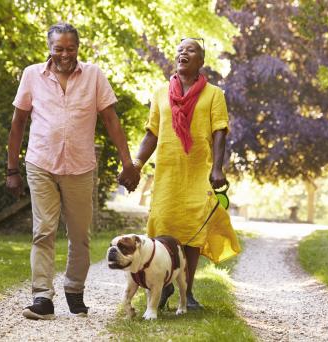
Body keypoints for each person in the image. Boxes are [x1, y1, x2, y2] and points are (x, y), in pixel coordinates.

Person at [6, 23, 140, 320]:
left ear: (78, 48)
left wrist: (127, 163)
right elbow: (18, 123)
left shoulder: (93, 75)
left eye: (70, 48)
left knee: (80, 235)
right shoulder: (32, 75)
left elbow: (111, 120)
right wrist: (11, 168)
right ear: (49, 49)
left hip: (80, 167)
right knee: (43, 231)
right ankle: (42, 297)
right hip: (41, 163)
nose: (65, 54)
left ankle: (74, 290)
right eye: (58, 49)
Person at [126, 38, 241, 310]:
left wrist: (217, 168)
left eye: (190, 50)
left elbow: (219, 131)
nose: (183, 53)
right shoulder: (160, 93)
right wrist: (137, 164)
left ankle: (186, 294)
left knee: (192, 234)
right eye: (180, 50)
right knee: (163, 229)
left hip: (198, 172)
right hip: (167, 174)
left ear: (201, 60)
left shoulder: (214, 94)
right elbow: (151, 133)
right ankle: (163, 287)